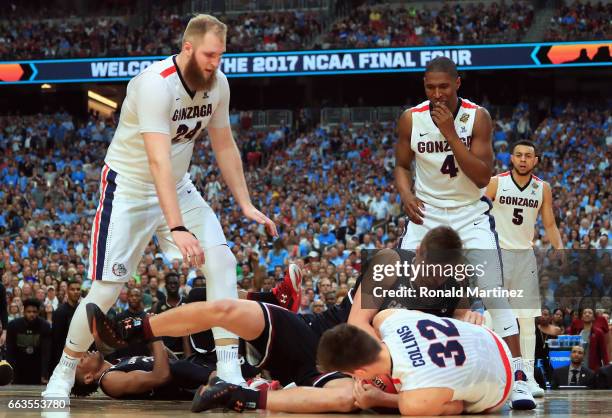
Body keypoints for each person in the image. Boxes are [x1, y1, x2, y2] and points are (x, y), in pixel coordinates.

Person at [43, 14, 277, 398]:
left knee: (222, 261)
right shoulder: (155, 85)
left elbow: (224, 144)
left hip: (179, 185)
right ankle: (66, 368)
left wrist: (246, 204)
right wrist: (178, 227)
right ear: (188, 48)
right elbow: (157, 163)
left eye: (220, 55)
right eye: (209, 54)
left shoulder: (218, 85)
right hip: (130, 188)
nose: (215, 63)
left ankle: (229, 368)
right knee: (106, 289)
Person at [394, 56, 534, 409]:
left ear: (458, 83)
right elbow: (400, 164)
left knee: (493, 294)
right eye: (430, 87)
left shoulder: (478, 117)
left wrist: (450, 135)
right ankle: (405, 372)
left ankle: (519, 378)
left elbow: (482, 176)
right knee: (404, 293)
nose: (437, 94)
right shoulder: (411, 117)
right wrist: (407, 194)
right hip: (426, 215)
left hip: (470, 215)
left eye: (444, 86)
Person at [317, 310, 513, 416]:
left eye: (350, 374)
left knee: (443, 400)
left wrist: (380, 399)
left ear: (359, 371)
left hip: (502, 385)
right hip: (488, 336)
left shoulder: (415, 403)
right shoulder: (387, 319)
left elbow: (457, 407)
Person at [485, 139, 564, 397]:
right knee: (493, 316)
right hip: (497, 254)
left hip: (525, 255)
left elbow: (550, 224)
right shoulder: (496, 182)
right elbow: (477, 212)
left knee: (528, 319)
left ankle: (527, 377)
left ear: (535, 160)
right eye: (518, 155)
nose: (522, 159)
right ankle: (496, 374)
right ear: (511, 158)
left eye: (528, 156)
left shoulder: (543, 188)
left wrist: (559, 248)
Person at [72, 340, 212, 399]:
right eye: (81, 360)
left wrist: (148, 340)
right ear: (88, 377)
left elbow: (172, 361)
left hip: (193, 369)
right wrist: (154, 336)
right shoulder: (109, 380)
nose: (84, 353)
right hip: (196, 385)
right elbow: (161, 376)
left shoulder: (119, 362)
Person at [6, 298, 52, 384]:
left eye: (34, 312)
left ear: (38, 312)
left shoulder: (45, 326)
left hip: (37, 369)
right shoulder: (13, 325)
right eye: (29, 311)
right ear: (24, 311)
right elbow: (10, 351)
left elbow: (46, 352)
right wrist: (10, 374)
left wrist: (44, 374)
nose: (32, 314)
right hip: (18, 369)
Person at [50, 279, 82, 372]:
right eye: (72, 289)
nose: (76, 292)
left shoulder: (83, 310)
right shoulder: (59, 312)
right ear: (67, 291)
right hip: (64, 357)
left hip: (81, 355)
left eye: (78, 289)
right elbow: (57, 339)